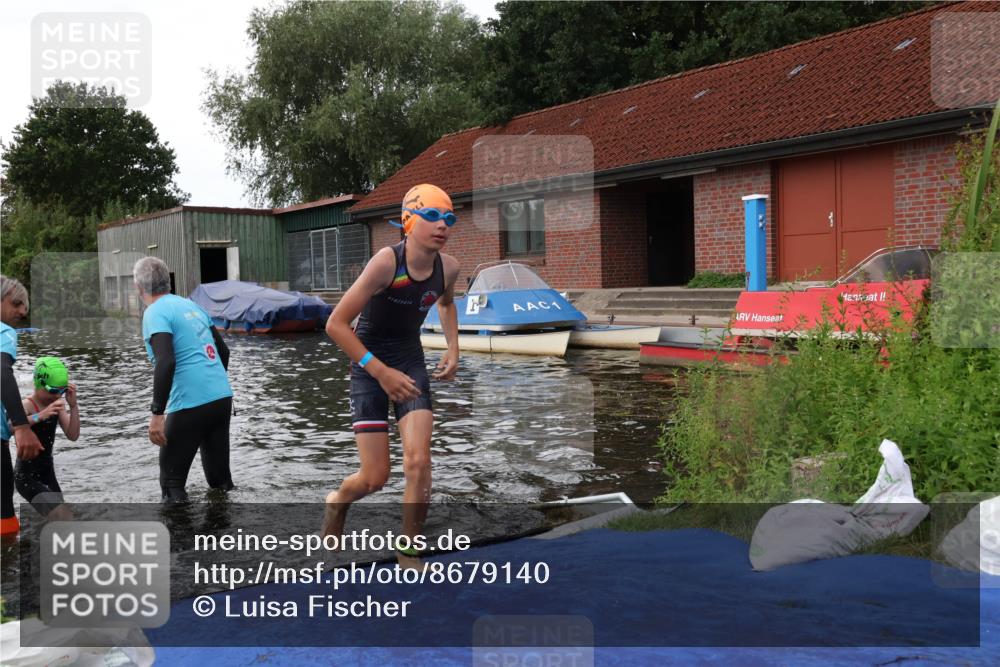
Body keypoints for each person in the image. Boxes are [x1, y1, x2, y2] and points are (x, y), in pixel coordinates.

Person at [322, 183, 460, 568]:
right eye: (432, 216)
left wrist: (453, 347)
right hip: (370, 366)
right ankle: (337, 502)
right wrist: (380, 372)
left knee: (418, 462)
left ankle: (409, 550)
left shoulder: (448, 267)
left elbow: (447, 305)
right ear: (408, 220)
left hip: (410, 361)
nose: (442, 225)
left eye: (449, 218)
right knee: (375, 478)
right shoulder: (386, 262)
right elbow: (336, 324)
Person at [134, 257, 234, 503]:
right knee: (220, 483)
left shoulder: (154, 312)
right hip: (221, 398)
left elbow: (165, 361)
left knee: (172, 485)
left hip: (190, 403)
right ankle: (226, 536)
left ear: (138, 287)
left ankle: (180, 541)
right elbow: (224, 353)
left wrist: (157, 414)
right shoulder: (192, 306)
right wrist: (211, 387)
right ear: (168, 282)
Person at [1, 275, 44, 536]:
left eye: (25, 306)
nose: (22, 311)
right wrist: (21, 425)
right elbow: (2, 373)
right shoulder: (4, 332)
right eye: (16, 303)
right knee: (5, 520)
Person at [14, 357, 79, 521]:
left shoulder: (57, 404)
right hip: (26, 477)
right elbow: (10, 426)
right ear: (39, 383)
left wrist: (73, 406)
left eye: (62, 391)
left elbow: (73, 435)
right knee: (63, 516)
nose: (57, 395)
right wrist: (41, 415)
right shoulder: (27, 405)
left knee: (60, 519)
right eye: (53, 390)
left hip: (47, 473)